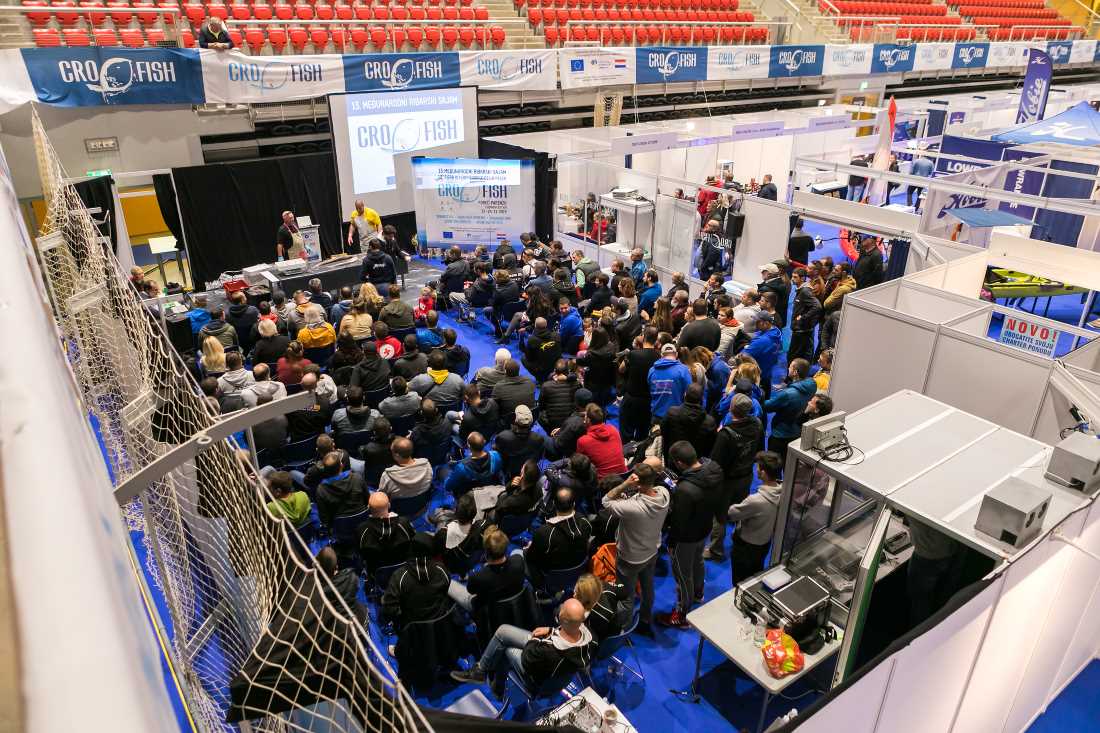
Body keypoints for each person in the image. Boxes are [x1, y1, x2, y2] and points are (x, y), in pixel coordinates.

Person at [449, 597, 595, 697]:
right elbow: (564, 632)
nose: (560, 606)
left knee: (504, 648)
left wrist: (536, 639)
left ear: (563, 620)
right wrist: (551, 630)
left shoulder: (549, 652)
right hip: (552, 663)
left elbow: (527, 657)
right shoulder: (588, 636)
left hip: (539, 679)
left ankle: (497, 688)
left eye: (562, 608)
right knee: (503, 631)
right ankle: (481, 670)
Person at [655, 441, 723, 628]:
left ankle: (682, 615)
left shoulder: (685, 489)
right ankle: (698, 593)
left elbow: (679, 521)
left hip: (686, 538)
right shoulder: (714, 469)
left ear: (679, 463)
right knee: (698, 561)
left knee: (683, 575)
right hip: (705, 527)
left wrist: (671, 542)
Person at [603, 463, 670, 634]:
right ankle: (645, 620)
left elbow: (606, 501)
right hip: (652, 551)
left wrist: (626, 483)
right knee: (648, 588)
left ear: (637, 482)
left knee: (626, 597)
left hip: (630, 558)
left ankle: (623, 629)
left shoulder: (633, 508)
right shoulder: (664, 494)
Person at [706, 394, 763, 560]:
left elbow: (715, 463)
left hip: (726, 481)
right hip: (746, 475)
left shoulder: (726, 433)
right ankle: (739, 539)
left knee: (720, 515)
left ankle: (716, 550)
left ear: (731, 409)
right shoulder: (758, 424)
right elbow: (759, 451)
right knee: (741, 509)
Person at [725, 451, 781, 584]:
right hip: (764, 544)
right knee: (755, 576)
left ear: (763, 473)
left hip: (746, 548)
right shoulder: (782, 491)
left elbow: (731, 514)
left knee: (739, 581)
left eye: (758, 467)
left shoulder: (755, 500)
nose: (756, 469)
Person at [448, 526, 526, 613]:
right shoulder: (518, 561)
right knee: (518, 551)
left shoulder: (477, 577)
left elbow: (471, 591)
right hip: (515, 597)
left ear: (485, 553)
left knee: (450, 583)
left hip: (488, 608)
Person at [381, 532, 452, 628]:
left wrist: (402, 618)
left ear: (411, 549)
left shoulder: (399, 576)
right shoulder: (442, 570)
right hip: (439, 623)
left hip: (411, 628)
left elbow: (390, 608)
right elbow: (445, 593)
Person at [525, 487, 593, 585]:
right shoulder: (585, 522)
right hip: (578, 570)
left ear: (554, 504)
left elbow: (532, 558)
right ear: (574, 504)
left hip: (553, 576)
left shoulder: (544, 533)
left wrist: (530, 547)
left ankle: (538, 587)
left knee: (525, 554)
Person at [906, 516, 962, 625]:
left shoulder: (918, 509)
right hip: (949, 551)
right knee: (941, 597)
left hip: (926, 557)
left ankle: (919, 629)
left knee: (920, 600)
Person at [764, 358, 817, 461]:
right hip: (798, 433)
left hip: (780, 435)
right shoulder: (812, 386)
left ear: (795, 372)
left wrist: (759, 395)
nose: (788, 368)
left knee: (773, 465)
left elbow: (767, 407)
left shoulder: (787, 394)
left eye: (790, 366)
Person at [357, 491, 415, 571]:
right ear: (389, 505)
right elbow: (412, 543)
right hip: (403, 568)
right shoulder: (404, 524)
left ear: (368, 507)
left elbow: (360, 553)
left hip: (377, 571)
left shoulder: (362, 530)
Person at [660, 383, 716, 464]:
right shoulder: (709, 421)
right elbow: (711, 444)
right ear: (701, 399)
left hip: (675, 458)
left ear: (685, 395)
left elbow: (663, 431)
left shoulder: (672, 413)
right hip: (696, 462)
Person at [433, 493, 487, 574]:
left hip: (452, 565)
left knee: (440, 515)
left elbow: (436, 549)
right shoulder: (482, 526)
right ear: (474, 513)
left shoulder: (444, 533)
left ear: (455, 511)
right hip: (470, 562)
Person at [315, 451, 368, 527]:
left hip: (340, 529)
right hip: (363, 523)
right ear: (341, 465)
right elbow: (367, 500)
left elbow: (325, 519)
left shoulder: (321, 490)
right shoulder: (357, 477)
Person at [495, 405, 546, 481]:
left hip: (510, 472)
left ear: (515, 420)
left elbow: (499, 455)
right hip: (530, 472)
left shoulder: (503, 437)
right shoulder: (539, 438)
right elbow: (539, 457)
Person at [444, 432, 504, 497]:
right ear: (484, 442)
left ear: (469, 446)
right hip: (492, 489)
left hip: (473, 496)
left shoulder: (461, 468)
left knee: (444, 472)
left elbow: (448, 486)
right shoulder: (496, 456)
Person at [576, 404, 627, 479]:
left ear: (588, 420)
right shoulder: (613, 429)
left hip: (604, 482)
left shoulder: (583, 441)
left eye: (585, 416)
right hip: (623, 476)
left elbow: (579, 463)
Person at [572, 574, 625, 642]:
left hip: (607, 639)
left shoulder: (597, 616)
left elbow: (595, 639)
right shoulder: (600, 586)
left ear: (587, 597)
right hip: (612, 624)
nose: (574, 595)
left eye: (577, 594)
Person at [648, 342, 692, 420]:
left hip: (656, 415)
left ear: (661, 355)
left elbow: (650, 388)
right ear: (676, 354)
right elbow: (689, 393)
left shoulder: (652, 370)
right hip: (676, 416)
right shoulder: (683, 370)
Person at [379, 436, 432, 500]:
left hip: (398, 506)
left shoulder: (387, 476)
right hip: (422, 502)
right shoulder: (427, 465)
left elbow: (382, 495)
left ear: (397, 455)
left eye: (392, 451)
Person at [743, 313, 781, 399]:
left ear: (766, 323)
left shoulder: (762, 341)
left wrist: (748, 346)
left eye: (758, 322)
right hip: (767, 370)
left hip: (757, 375)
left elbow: (743, 355)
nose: (755, 323)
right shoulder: (776, 331)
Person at [789, 269, 823, 364]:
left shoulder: (805, 291)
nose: (792, 279)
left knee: (793, 354)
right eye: (792, 276)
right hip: (802, 328)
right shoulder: (802, 290)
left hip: (801, 329)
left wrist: (803, 317)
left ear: (802, 278)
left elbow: (817, 306)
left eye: (795, 277)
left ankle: (791, 373)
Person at [491, 359, 536, 427]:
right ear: (518, 370)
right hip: (528, 419)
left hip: (509, 422)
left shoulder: (499, 387)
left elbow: (493, 405)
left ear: (505, 371)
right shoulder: (530, 382)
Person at [522, 317, 562, 385]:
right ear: (546, 325)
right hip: (556, 365)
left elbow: (529, 358)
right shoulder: (556, 335)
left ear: (535, 326)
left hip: (542, 368)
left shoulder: (532, 340)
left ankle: (540, 378)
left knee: (523, 358)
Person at [758, 262, 791, 327]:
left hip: (767, 322)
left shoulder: (766, 289)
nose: (761, 273)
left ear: (769, 274)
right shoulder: (781, 283)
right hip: (778, 318)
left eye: (763, 271)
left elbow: (761, 306)